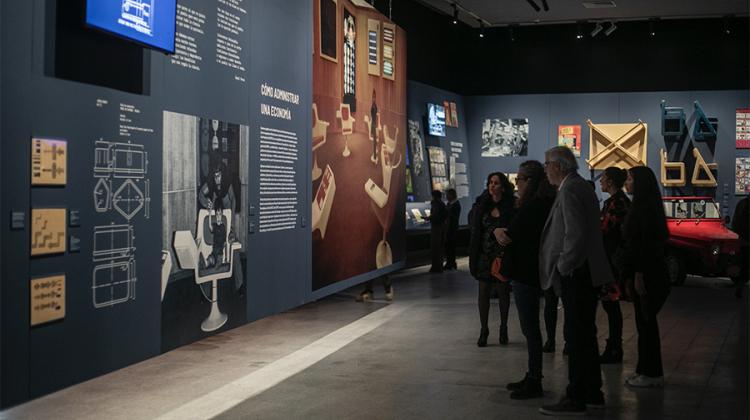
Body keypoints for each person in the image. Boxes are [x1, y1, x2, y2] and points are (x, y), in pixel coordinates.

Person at [538, 146, 613, 416]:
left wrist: (563, 266)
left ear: (559, 166)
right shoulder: (581, 186)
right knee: (585, 335)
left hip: (577, 273)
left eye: (547, 164)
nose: (545, 169)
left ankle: (577, 396)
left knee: (576, 336)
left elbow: (575, 234)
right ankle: (593, 392)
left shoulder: (570, 189)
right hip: (586, 271)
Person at [494, 161, 555, 399]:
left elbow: (512, 235)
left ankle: (534, 379)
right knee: (531, 328)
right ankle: (532, 375)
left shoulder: (534, 205)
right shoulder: (541, 203)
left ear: (529, 181)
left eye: (518, 179)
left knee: (530, 328)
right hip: (531, 270)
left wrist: (497, 231)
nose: (515, 184)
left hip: (526, 272)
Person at [621, 166, 671, 388]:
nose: (627, 182)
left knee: (647, 325)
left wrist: (639, 274)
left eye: (630, 178)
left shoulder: (644, 210)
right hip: (645, 272)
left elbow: (645, 246)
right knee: (644, 325)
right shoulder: (645, 207)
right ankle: (645, 370)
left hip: (648, 273)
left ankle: (651, 373)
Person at [469, 172, 516, 347]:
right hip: (484, 255)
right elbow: (476, 230)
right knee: (483, 293)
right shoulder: (482, 205)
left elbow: (514, 228)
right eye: (490, 182)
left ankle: (503, 328)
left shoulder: (511, 206)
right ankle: (484, 330)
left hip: (502, 256)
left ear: (502, 187)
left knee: (503, 292)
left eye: (496, 183)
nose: (492, 186)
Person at [598, 167, 631, 364]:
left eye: (603, 178)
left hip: (613, 262)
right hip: (613, 260)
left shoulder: (616, 203)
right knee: (610, 306)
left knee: (611, 306)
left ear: (609, 181)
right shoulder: (619, 202)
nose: (600, 182)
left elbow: (605, 229)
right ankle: (613, 346)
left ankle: (614, 347)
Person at [731, 194, 749, 298]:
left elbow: (735, 223)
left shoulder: (741, 204)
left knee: (744, 265)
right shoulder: (743, 204)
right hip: (745, 240)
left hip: (744, 241)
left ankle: (740, 287)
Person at [427, 190, 447, 273]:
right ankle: (439, 266)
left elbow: (435, 214)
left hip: (436, 227)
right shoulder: (442, 204)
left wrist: (429, 218)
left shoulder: (435, 203)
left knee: (435, 247)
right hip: (441, 227)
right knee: (440, 247)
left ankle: (436, 267)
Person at [444, 188, 461, 270]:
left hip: (452, 228)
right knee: (448, 246)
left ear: (452, 195)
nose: (446, 196)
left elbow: (452, 216)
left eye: (447, 195)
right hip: (448, 228)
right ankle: (450, 263)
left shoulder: (456, 205)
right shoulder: (449, 204)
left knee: (451, 246)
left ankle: (451, 263)